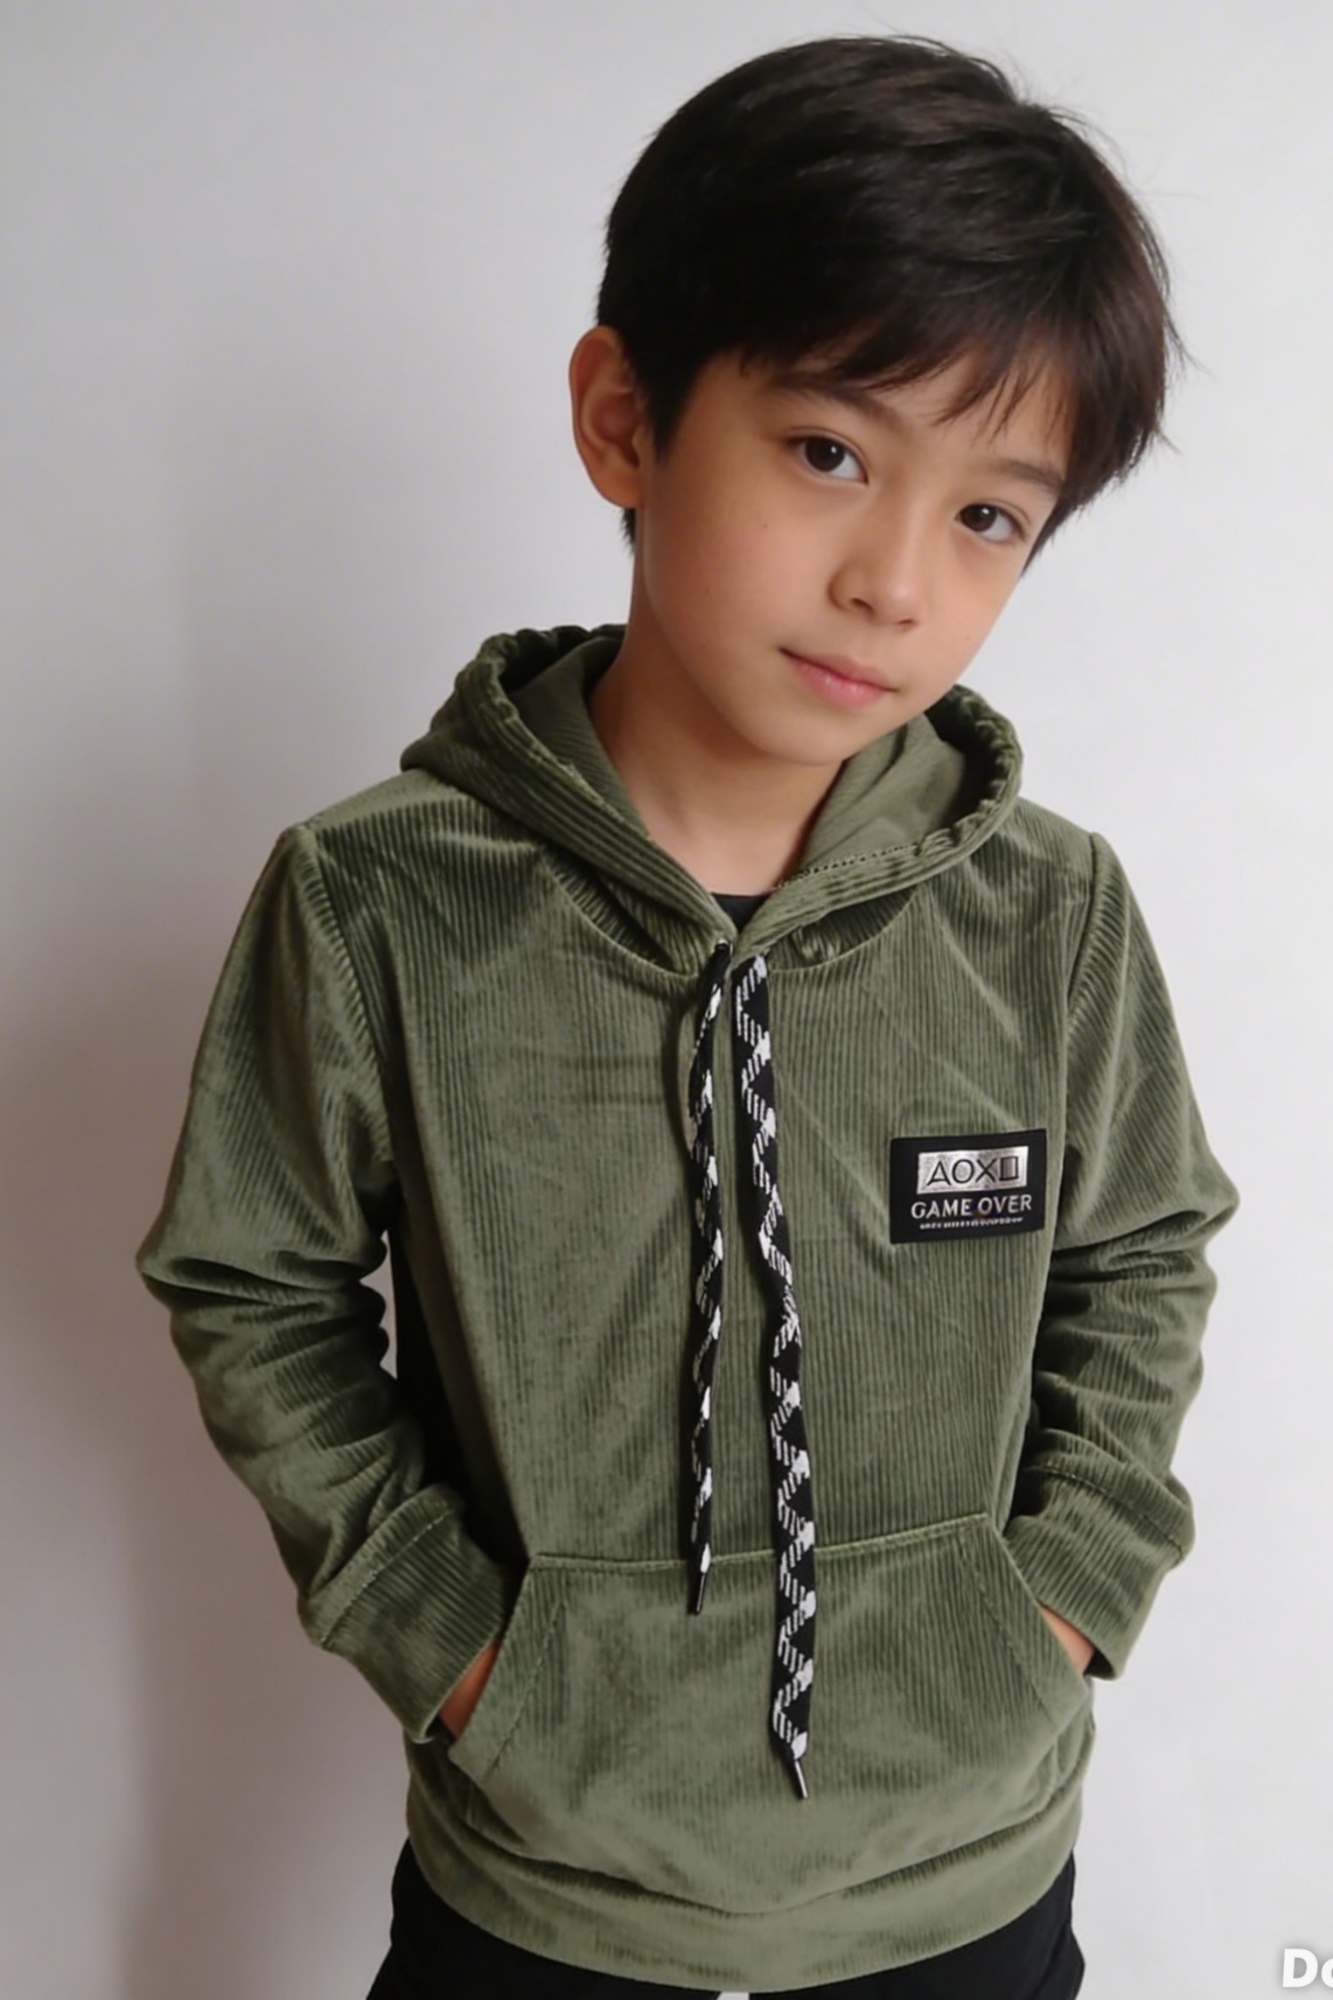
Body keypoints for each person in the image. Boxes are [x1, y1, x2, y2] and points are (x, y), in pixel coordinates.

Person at [136, 34, 1238, 2000]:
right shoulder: (377, 899)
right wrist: (458, 1646)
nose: (893, 581)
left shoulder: (1047, 910)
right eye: (828, 453)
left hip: (962, 1879)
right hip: (543, 1892)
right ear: (623, 419)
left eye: (989, 515)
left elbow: (1139, 1248)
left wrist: (1060, 1596)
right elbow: (254, 1278)